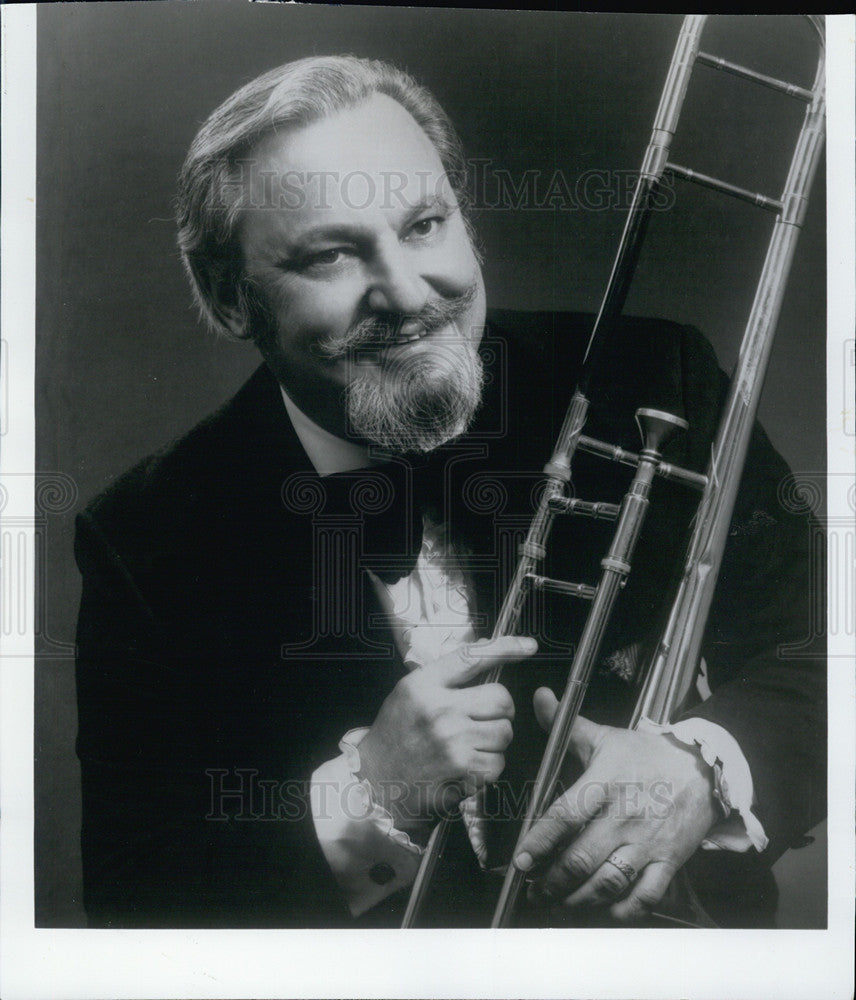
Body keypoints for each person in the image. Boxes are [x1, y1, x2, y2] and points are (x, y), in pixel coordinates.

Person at [74, 55, 825, 929]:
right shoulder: (145, 538)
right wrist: (368, 802)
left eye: (425, 224)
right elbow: (136, 904)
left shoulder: (653, 378)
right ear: (231, 298)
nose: (404, 292)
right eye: (330, 256)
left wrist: (706, 764)